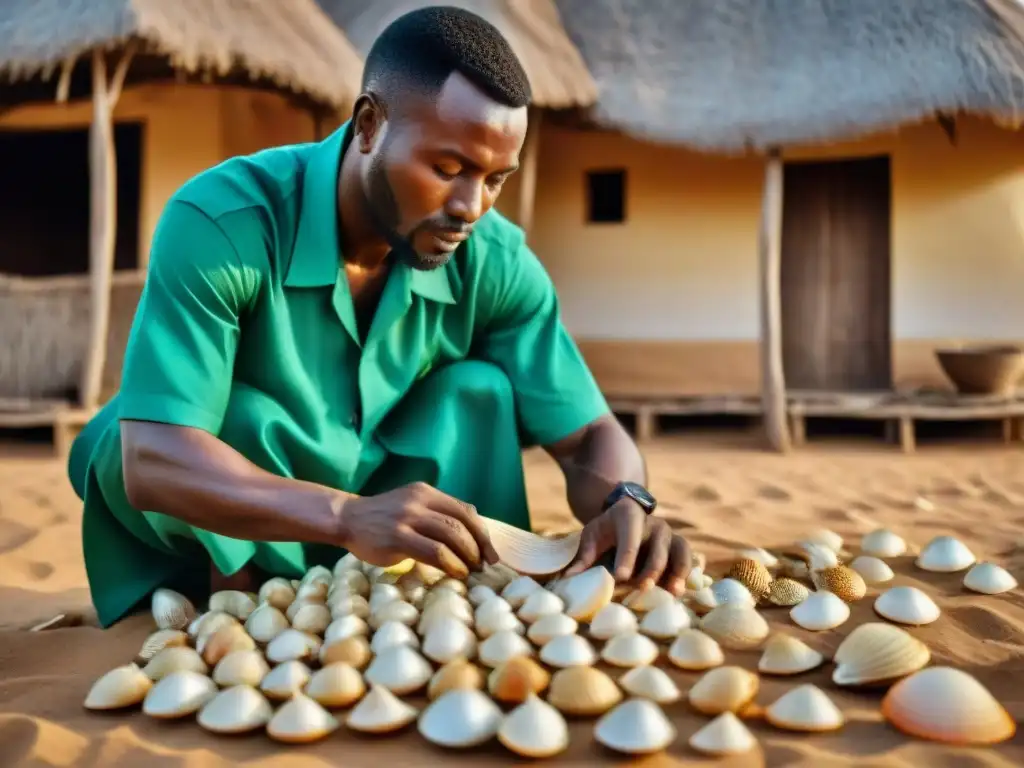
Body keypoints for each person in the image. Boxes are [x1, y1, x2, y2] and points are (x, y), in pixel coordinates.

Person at [67, 5, 692, 628]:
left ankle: (462, 593)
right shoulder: (223, 224)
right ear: (369, 125)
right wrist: (344, 516)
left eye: (495, 178)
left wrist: (625, 500)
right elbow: (151, 458)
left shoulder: (493, 258)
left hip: (398, 543)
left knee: (477, 392)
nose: (470, 207)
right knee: (238, 414)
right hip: (235, 527)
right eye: (447, 169)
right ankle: (241, 601)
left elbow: (588, 436)